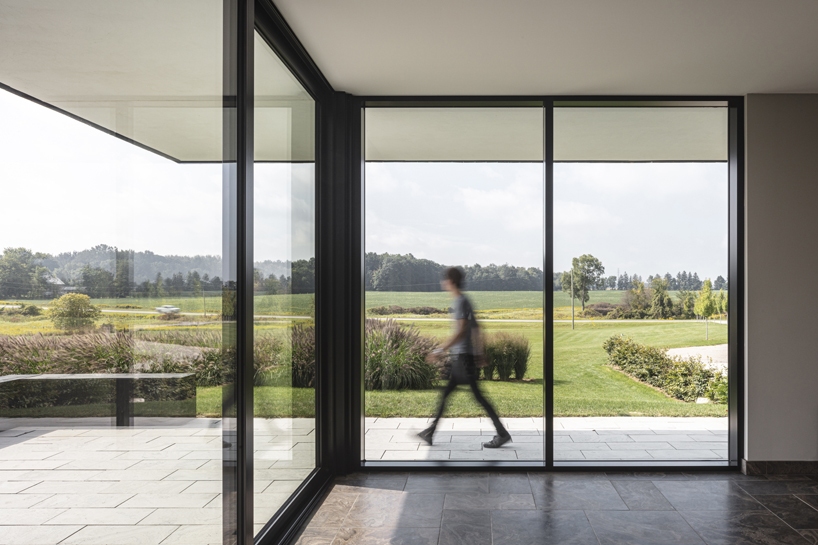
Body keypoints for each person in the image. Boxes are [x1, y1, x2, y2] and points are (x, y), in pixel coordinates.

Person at [418, 267, 511, 449]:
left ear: (451, 281)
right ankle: (430, 432)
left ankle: (502, 433)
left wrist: (439, 350)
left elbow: (461, 332)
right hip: (463, 357)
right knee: (450, 395)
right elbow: (476, 328)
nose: (442, 282)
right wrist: (480, 352)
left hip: (463, 358)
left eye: (445, 279)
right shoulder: (464, 301)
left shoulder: (461, 302)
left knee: (477, 397)